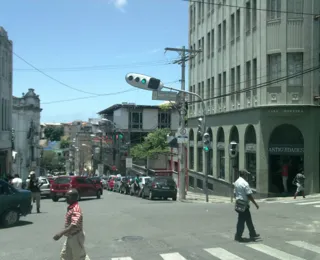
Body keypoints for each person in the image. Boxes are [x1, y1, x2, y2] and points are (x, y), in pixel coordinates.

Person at [53, 189, 90, 260]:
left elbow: (74, 224)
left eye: (68, 197)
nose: (66, 198)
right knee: (65, 256)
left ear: (74, 198)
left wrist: (60, 233)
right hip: (70, 236)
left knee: (79, 257)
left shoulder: (76, 209)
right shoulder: (71, 207)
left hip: (75, 236)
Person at [234, 169, 260, 242]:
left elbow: (234, 193)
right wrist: (255, 204)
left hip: (239, 202)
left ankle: (252, 233)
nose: (247, 176)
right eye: (246, 175)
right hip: (244, 204)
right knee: (241, 221)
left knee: (248, 219)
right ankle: (238, 236)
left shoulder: (236, 182)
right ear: (244, 175)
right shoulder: (245, 183)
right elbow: (249, 195)